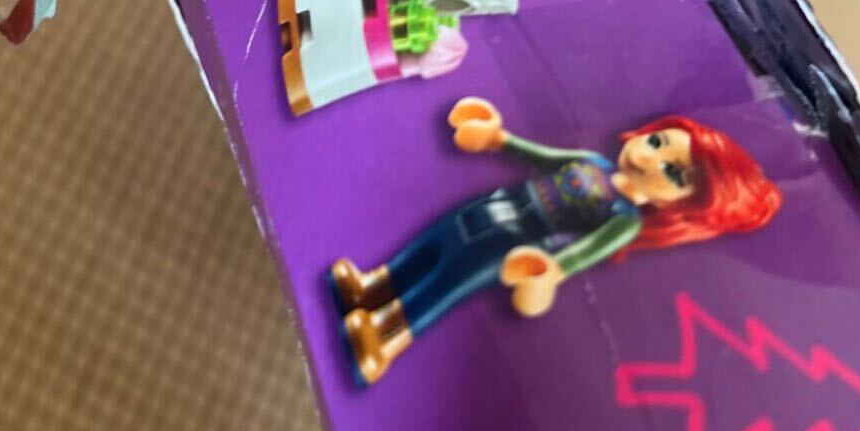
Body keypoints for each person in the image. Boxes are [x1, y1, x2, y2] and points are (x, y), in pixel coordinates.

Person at [330, 97, 782, 385]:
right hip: (498, 203)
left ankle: (383, 339)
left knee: (449, 281)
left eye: (674, 172)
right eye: (659, 141)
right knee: (434, 243)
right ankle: (372, 287)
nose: (651, 157)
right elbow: (540, 156)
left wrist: (549, 273)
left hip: (516, 242)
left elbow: (581, 254)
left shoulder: (623, 221)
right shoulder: (592, 161)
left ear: (681, 206)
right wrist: (496, 137)